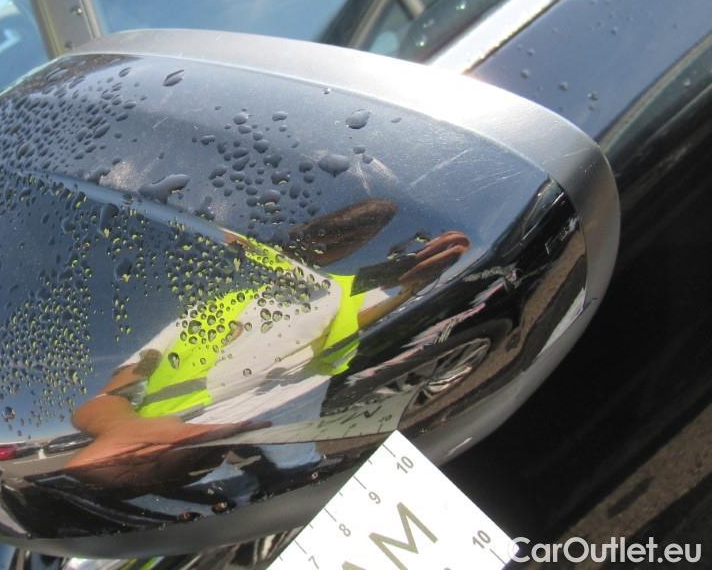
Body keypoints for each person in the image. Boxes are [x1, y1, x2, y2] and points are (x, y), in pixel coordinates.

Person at [63, 197, 469, 493]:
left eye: (349, 235)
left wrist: (416, 282)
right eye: (319, 232)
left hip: (295, 448)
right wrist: (124, 430)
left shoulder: (350, 294)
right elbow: (103, 400)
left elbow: (380, 305)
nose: (322, 243)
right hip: (186, 470)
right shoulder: (213, 307)